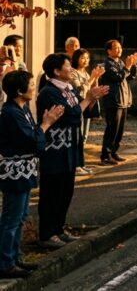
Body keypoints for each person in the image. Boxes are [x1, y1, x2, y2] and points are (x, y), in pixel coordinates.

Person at [36, 53, 109, 249]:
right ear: (56, 71)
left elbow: (85, 112)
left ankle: (59, 229)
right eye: (67, 65)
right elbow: (71, 116)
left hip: (69, 148)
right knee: (52, 193)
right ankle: (47, 234)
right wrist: (87, 99)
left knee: (65, 192)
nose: (71, 68)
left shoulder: (69, 88)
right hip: (54, 150)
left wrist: (93, 98)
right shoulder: (49, 92)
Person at [0, 71, 63, 278]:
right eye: (30, 84)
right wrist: (46, 123)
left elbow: (37, 140)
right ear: (19, 91)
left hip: (24, 171)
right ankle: (5, 262)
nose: (34, 87)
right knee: (12, 217)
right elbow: (34, 140)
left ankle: (15, 257)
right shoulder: (11, 112)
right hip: (15, 173)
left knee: (20, 217)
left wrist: (41, 130)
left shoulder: (22, 108)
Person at [99, 40, 137, 165]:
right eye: (116, 48)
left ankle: (114, 152)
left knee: (120, 129)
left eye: (120, 48)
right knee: (112, 128)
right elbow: (117, 77)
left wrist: (133, 65)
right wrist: (127, 67)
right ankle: (105, 155)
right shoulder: (107, 64)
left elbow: (129, 77)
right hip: (113, 100)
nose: (119, 50)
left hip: (123, 100)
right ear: (109, 51)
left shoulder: (120, 62)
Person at [68, 50, 104, 176]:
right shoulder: (72, 73)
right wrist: (93, 78)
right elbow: (79, 89)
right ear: (76, 58)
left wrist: (96, 78)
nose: (86, 60)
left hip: (87, 106)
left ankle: (81, 164)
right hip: (77, 105)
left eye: (87, 58)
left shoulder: (85, 73)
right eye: (82, 58)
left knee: (83, 137)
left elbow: (93, 88)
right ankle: (76, 165)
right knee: (77, 137)